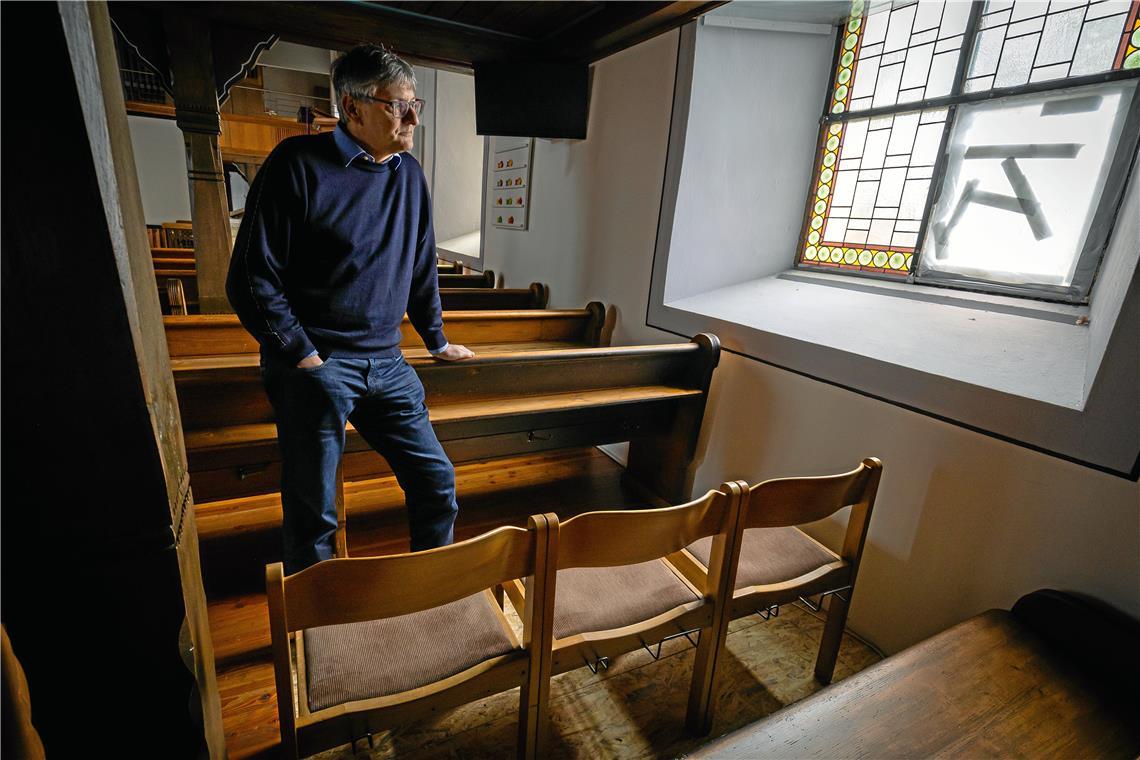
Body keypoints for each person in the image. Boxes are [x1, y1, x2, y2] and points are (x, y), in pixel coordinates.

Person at [226, 44, 474, 575]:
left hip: (387, 362)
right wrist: (302, 353)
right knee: (315, 515)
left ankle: (434, 594)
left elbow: (421, 266)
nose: (411, 119)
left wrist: (435, 339)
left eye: (414, 105)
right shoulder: (296, 164)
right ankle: (319, 615)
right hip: (316, 363)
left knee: (436, 483)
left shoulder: (409, 175)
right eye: (397, 106)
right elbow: (250, 277)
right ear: (352, 107)